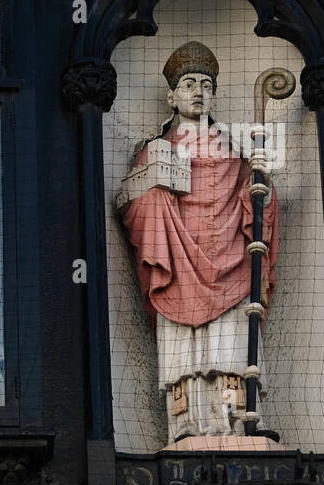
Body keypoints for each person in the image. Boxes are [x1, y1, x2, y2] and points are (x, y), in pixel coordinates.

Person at [119, 41, 280, 443]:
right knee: (185, 353)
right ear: (172, 95)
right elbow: (130, 207)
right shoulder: (153, 150)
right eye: (188, 84)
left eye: (206, 84)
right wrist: (154, 195)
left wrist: (259, 187)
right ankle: (186, 425)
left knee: (228, 349)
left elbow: (258, 202)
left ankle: (234, 422)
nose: (198, 91)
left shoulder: (237, 149)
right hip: (176, 262)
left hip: (231, 265)